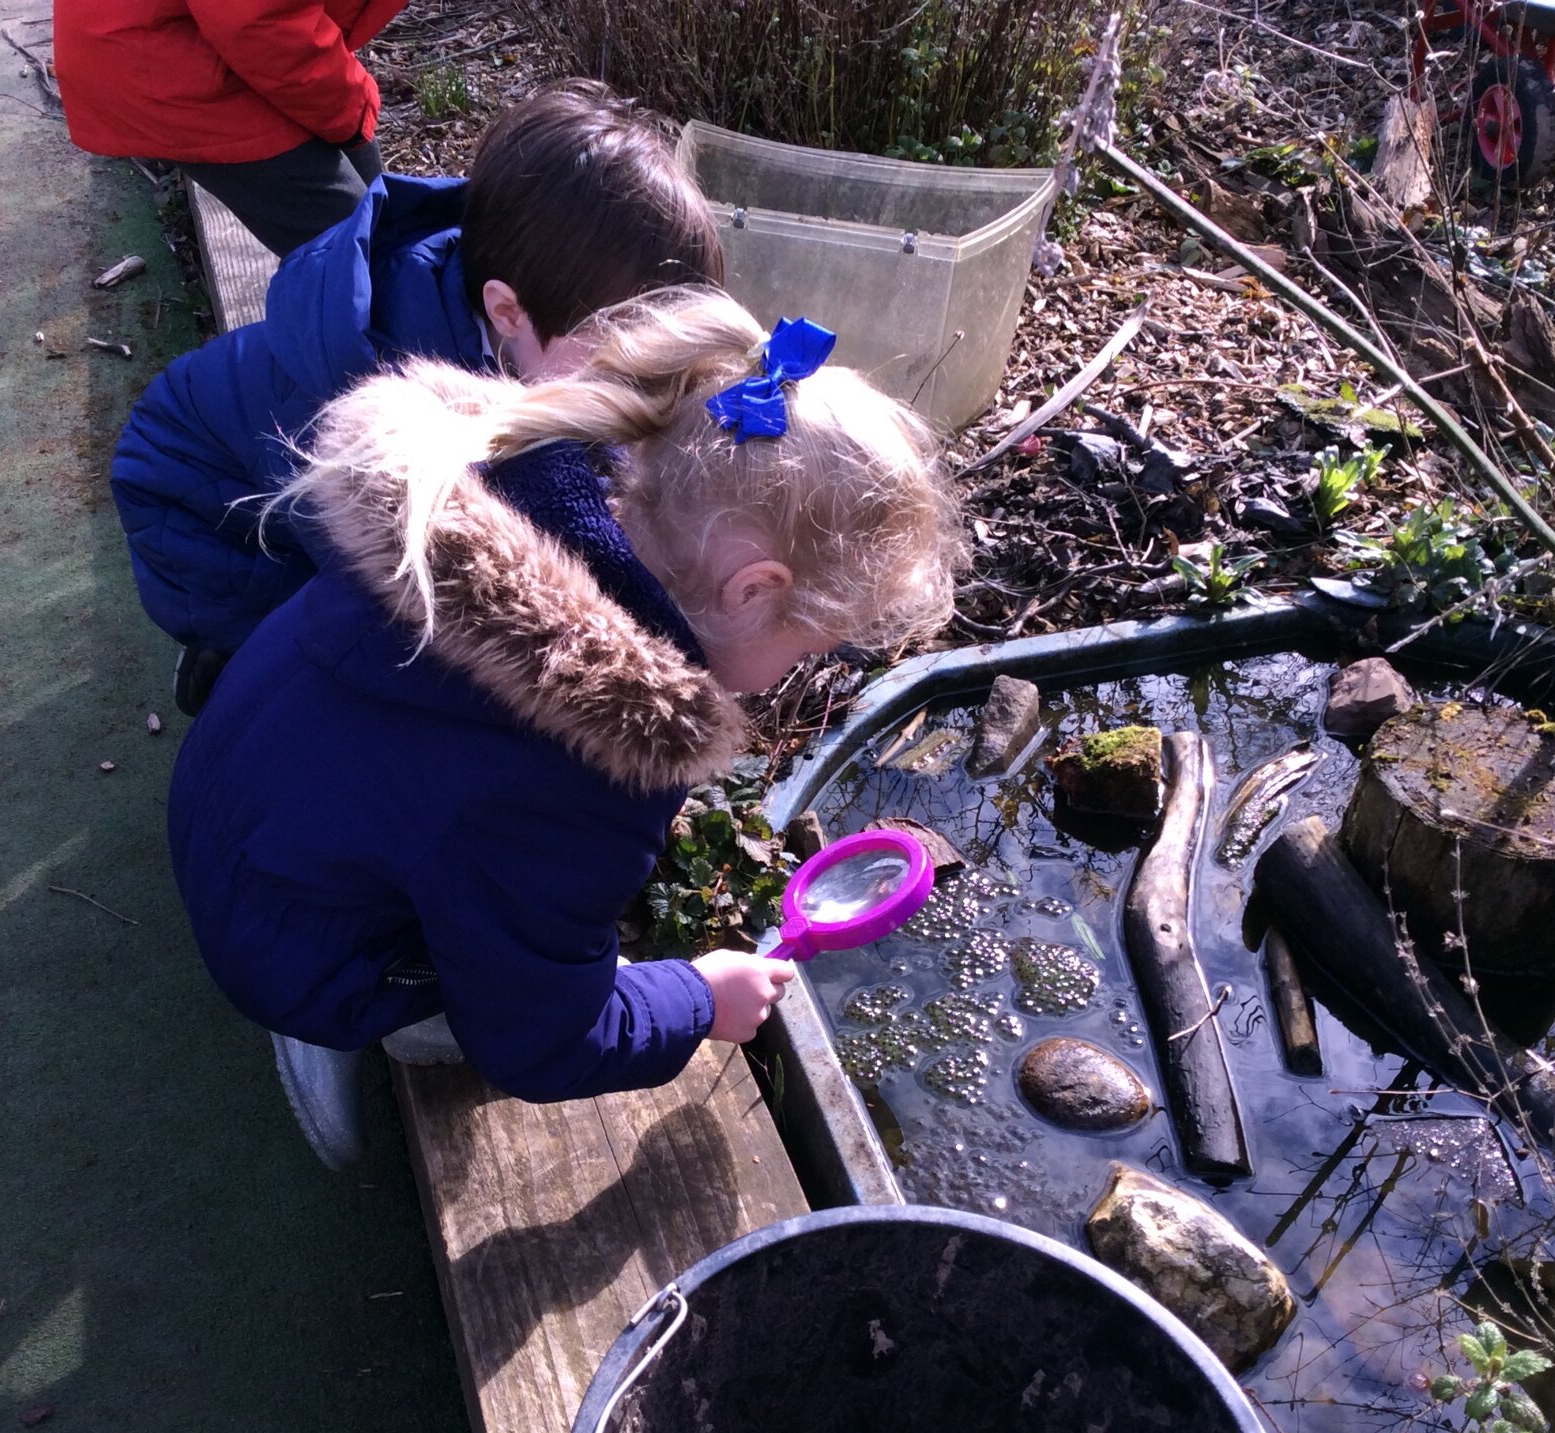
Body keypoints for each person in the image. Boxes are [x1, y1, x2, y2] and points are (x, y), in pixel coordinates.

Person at [167, 288, 967, 1169]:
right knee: (491, 1000)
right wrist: (697, 997)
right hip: (287, 950)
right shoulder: (584, 777)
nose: (795, 673)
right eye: (810, 646)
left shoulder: (496, 490)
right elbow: (542, 1045)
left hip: (228, 810)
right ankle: (341, 1025)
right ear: (751, 589)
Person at [109, 81, 725, 713]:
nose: (649, 376)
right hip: (201, 509)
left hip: (243, 463)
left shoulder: (526, 302)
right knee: (361, 655)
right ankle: (222, 668)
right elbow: (425, 582)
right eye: (624, 352)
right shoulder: (378, 395)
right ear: (507, 311)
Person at [52, 0, 407, 258]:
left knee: (362, 160)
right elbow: (261, 23)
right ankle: (365, 347)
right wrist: (346, 116)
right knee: (354, 246)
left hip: (197, 35)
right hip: (162, 60)